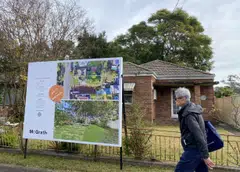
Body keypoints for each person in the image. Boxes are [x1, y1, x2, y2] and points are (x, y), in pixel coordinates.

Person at [174, 87, 215, 172]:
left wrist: (205, 156)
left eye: (176, 98)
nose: (175, 100)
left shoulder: (189, 114)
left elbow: (199, 134)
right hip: (197, 149)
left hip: (194, 149)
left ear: (183, 99)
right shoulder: (193, 108)